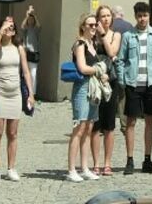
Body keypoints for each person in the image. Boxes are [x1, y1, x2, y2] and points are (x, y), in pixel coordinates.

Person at [118, 0, 152, 176]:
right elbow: (121, 59)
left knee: (149, 120)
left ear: (149, 16)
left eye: (145, 16)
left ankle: (147, 159)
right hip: (133, 83)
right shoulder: (128, 36)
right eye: (139, 16)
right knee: (130, 122)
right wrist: (123, 80)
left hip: (151, 84)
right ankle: (129, 160)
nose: (142, 19)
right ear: (135, 17)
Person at [0, 15, 33, 180]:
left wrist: (30, 93)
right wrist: (0, 32)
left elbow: (26, 71)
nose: (11, 29)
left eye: (13, 27)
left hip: (15, 94)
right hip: (0, 92)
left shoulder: (19, 48)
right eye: (8, 27)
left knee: (13, 133)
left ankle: (11, 168)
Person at [66, 12, 101, 182]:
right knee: (79, 128)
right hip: (82, 88)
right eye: (90, 25)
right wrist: (100, 70)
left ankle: (85, 167)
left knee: (89, 128)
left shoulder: (93, 43)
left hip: (93, 88)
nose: (94, 27)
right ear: (83, 27)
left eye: (95, 24)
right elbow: (82, 67)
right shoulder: (80, 44)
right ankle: (71, 169)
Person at [89, 5, 122, 177]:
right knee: (95, 125)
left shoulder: (115, 35)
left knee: (109, 125)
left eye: (108, 16)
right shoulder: (92, 37)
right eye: (102, 16)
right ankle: (95, 163)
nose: (106, 19)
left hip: (110, 82)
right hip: (95, 83)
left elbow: (112, 52)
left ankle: (107, 163)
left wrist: (103, 35)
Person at [19, 6, 41, 89]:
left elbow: (39, 26)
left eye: (32, 20)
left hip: (34, 53)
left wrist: (34, 15)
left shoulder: (36, 29)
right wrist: (27, 16)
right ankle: (25, 91)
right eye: (29, 20)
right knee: (24, 72)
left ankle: (33, 92)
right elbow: (22, 26)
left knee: (33, 73)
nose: (30, 21)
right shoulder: (26, 29)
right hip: (26, 53)